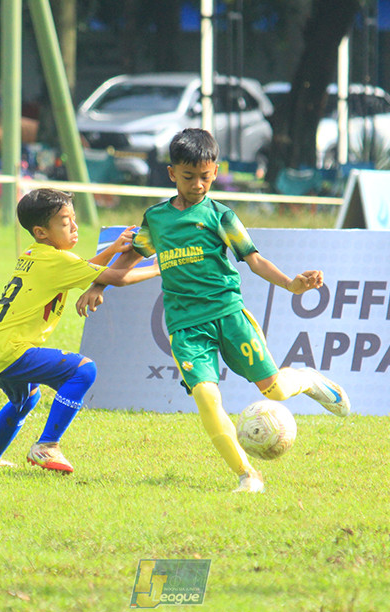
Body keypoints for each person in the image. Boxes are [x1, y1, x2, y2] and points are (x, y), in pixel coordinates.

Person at [77, 128, 350, 493]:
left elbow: (254, 260)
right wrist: (99, 285)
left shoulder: (222, 216)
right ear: (172, 173)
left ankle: (308, 380)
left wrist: (290, 284)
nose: (198, 185)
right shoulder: (156, 219)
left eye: (205, 177)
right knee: (207, 397)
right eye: (189, 177)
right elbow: (129, 256)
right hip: (186, 327)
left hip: (228, 315)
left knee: (275, 391)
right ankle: (247, 474)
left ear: (216, 171)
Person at [0, 188, 158, 475]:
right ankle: (47, 445)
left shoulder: (37, 253)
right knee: (82, 370)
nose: (74, 226)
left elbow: (83, 270)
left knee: (26, 399)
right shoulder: (57, 260)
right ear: (41, 231)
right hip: (11, 349)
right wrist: (160, 267)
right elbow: (118, 277)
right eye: (64, 221)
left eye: (73, 218)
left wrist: (110, 250)